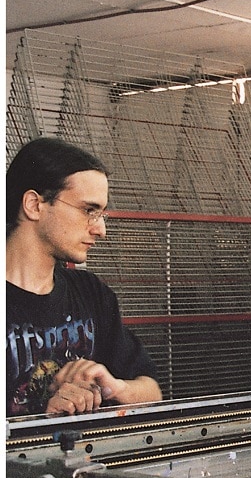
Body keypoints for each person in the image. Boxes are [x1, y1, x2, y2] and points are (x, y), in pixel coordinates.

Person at [7, 137, 161, 416]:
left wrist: (113, 387)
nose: (100, 229)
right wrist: (43, 417)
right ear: (34, 204)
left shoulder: (91, 293)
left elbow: (152, 390)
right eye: (89, 211)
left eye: (101, 214)